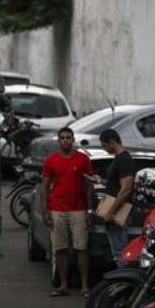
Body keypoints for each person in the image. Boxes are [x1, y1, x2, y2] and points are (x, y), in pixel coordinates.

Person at [41, 127, 95, 298]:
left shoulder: (83, 159)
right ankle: (63, 284)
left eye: (68, 137)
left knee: (81, 248)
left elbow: (89, 186)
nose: (65, 140)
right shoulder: (51, 160)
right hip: (57, 209)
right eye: (62, 137)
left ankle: (84, 285)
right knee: (60, 249)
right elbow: (45, 187)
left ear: (73, 139)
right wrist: (45, 210)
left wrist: (90, 210)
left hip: (78, 210)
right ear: (59, 140)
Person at [92, 129, 136, 268]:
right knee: (117, 251)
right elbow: (117, 184)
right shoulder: (119, 159)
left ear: (111, 142)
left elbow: (126, 189)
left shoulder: (124, 160)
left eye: (104, 145)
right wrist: (102, 181)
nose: (104, 149)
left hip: (118, 213)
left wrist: (111, 211)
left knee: (120, 252)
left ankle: (123, 283)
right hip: (115, 213)